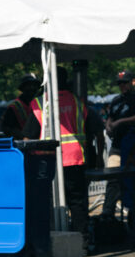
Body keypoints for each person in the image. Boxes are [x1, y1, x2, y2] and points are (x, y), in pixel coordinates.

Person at [24, 68, 89, 246]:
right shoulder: (77, 101)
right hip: (75, 157)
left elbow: (28, 135)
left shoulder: (39, 103)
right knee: (77, 202)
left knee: (48, 202)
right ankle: (82, 242)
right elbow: (88, 127)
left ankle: (50, 241)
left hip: (47, 159)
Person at [101, 69, 135, 218]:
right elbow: (110, 117)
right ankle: (108, 212)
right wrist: (109, 125)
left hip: (133, 147)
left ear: (132, 82)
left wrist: (120, 122)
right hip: (117, 146)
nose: (122, 86)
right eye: (120, 84)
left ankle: (132, 214)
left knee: (131, 180)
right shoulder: (116, 100)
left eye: (125, 83)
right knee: (113, 177)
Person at [1, 74, 41, 140]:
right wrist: (22, 137)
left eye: (34, 85)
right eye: (29, 85)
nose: (32, 88)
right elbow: (7, 128)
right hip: (21, 144)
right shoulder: (14, 107)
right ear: (23, 88)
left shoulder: (38, 103)